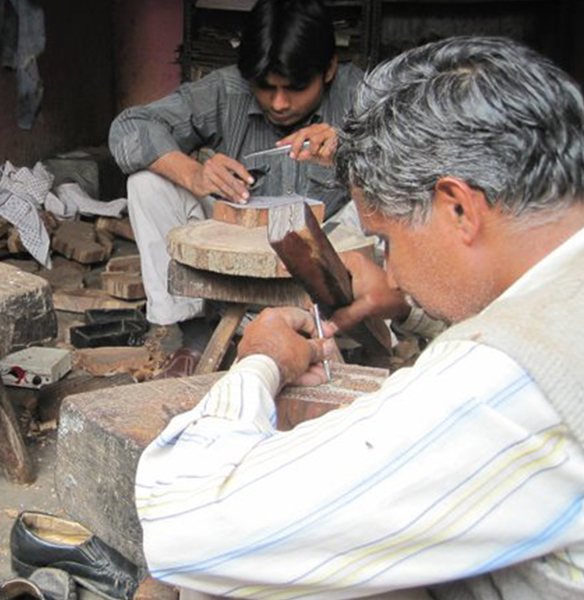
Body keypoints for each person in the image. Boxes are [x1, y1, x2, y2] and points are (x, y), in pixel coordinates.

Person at [134, 36, 584, 598]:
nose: (388, 273)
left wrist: (258, 364)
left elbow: (186, 529)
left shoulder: (510, 383)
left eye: (384, 241)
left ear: (459, 209)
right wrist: (415, 305)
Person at [108, 0, 363, 364]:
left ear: (329, 69)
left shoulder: (361, 95)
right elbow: (128, 129)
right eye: (265, 87)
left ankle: (335, 334)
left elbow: (424, 162)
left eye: (295, 88)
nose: (278, 102)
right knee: (147, 183)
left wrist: (351, 151)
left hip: (330, 259)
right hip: (240, 244)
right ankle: (195, 338)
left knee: (383, 205)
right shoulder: (228, 91)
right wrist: (193, 172)